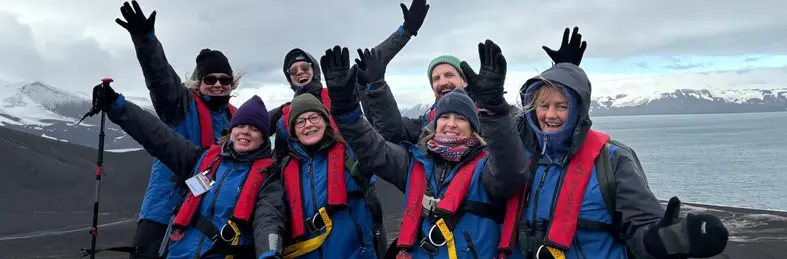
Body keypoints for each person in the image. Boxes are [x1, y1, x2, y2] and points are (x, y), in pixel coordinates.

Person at [329, 40, 531, 259]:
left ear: (474, 130)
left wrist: (493, 108)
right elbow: (372, 148)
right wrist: (345, 108)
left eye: (461, 118)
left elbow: (512, 171)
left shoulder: (487, 168)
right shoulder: (414, 162)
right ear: (435, 125)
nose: (451, 124)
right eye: (444, 117)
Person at [508, 62, 730, 259]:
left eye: (562, 106)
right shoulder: (521, 157)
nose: (550, 115)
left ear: (578, 110)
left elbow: (641, 227)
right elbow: (497, 125)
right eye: (543, 106)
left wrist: (667, 239)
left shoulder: (612, 159)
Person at [89, 81, 284, 259]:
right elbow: (157, 136)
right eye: (240, 125)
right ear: (231, 130)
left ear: (264, 137)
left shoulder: (267, 175)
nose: (245, 132)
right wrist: (117, 105)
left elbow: (268, 218)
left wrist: (270, 253)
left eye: (254, 128)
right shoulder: (203, 160)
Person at [114, 2, 242, 257]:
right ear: (198, 82)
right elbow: (160, 77)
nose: (218, 85)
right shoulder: (181, 106)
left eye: (224, 80)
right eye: (210, 79)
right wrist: (145, 39)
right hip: (164, 209)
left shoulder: (236, 119)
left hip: (209, 212)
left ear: (232, 83)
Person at [356, 27, 588, 146]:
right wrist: (376, 82)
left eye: (449, 75)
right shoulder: (426, 122)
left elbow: (534, 128)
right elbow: (390, 131)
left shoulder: (495, 112)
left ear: (465, 80)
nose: (442, 82)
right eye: (436, 79)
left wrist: (563, 72)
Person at [269, 92, 377, 259]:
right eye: (300, 122)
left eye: (314, 117)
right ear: (293, 131)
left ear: (326, 121)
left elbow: (375, 142)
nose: (308, 125)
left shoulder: (351, 154)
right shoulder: (283, 169)